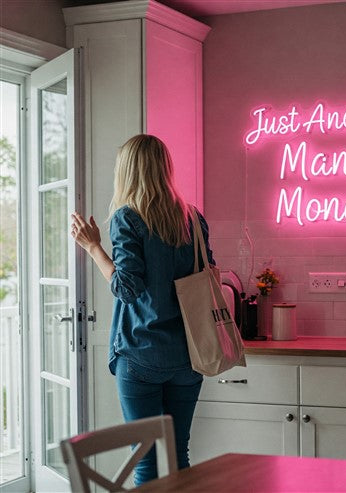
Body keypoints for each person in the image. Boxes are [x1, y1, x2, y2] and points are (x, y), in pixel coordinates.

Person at [70, 134, 214, 486]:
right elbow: (209, 276)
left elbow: (126, 288)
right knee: (179, 453)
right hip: (188, 356)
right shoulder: (193, 218)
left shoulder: (127, 219)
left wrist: (93, 248)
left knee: (147, 461)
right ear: (165, 168)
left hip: (142, 354)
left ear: (127, 172)